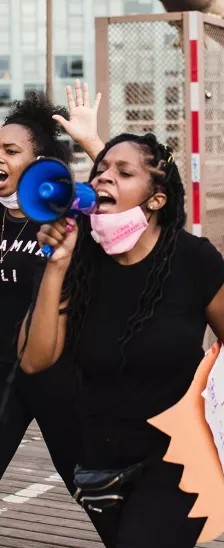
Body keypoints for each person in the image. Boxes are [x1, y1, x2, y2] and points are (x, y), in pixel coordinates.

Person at [19, 132, 224, 548]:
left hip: (182, 461)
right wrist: (55, 267)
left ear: (156, 199)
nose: (104, 177)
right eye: (100, 170)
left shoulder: (193, 260)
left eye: (123, 172)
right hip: (101, 466)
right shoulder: (78, 260)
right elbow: (35, 361)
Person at [0, 84, 103, 494]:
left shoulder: (71, 216)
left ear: (38, 161)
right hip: (3, 373)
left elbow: (135, 200)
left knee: (92, 488)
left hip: (60, 376)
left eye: (10, 150)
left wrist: (92, 141)